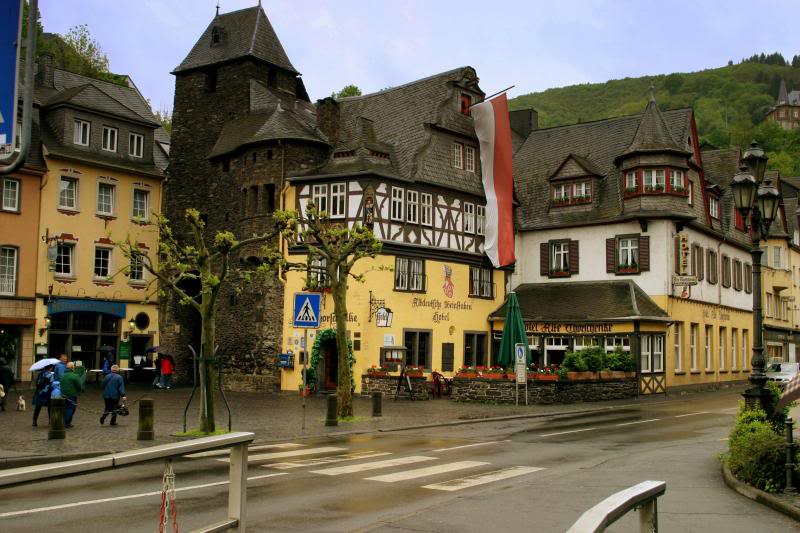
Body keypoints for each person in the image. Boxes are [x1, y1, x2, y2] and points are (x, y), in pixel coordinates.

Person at [59, 362, 83, 428]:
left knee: (65, 408)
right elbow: (79, 386)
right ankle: (66, 422)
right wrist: (79, 391)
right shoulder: (75, 376)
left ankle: (65, 422)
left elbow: (60, 384)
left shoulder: (63, 375)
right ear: (73, 368)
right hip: (72, 395)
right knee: (71, 409)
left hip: (63, 394)